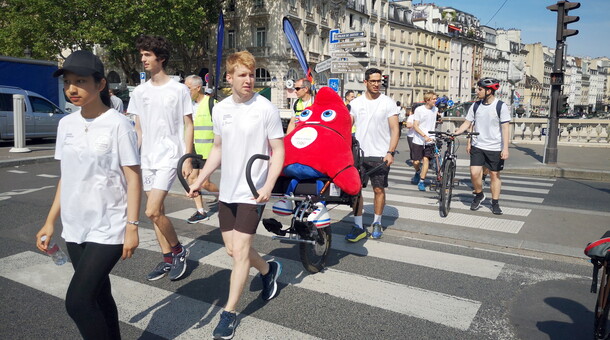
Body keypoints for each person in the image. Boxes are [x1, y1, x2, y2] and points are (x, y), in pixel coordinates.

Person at [36, 50, 141, 340]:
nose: (72, 89)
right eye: (68, 82)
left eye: (80, 81)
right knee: (99, 295)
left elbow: (134, 179)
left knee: (78, 302)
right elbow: (65, 177)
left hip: (109, 226)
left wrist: (132, 227)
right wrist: (49, 222)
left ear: (100, 84)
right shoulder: (66, 125)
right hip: (74, 226)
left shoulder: (119, 124)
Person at [188, 51, 284, 340]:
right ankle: (268, 270)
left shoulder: (265, 108)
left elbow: (278, 150)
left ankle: (228, 313)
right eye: (242, 75)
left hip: (253, 192)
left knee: (240, 253)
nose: (249, 80)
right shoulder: (221, 109)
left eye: (252, 74)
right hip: (227, 191)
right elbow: (217, 148)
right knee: (232, 250)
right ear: (229, 78)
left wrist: (268, 186)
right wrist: (200, 179)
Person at [127, 35, 195, 281]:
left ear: (161, 58)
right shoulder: (140, 92)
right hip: (147, 159)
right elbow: (138, 129)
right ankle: (167, 258)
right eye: (142, 54)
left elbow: (189, 125)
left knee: (152, 211)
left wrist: (188, 158)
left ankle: (179, 250)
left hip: (170, 156)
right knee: (159, 212)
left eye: (147, 55)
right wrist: (132, 158)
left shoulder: (178, 90)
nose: (142, 59)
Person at [345, 68, 400, 241]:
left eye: (379, 81)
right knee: (356, 192)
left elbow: (395, 129)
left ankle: (377, 222)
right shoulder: (356, 103)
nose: (377, 84)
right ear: (366, 82)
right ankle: (358, 226)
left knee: (378, 189)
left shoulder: (388, 102)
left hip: (380, 155)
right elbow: (347, 126)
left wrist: (390, 152)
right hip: (359, 154)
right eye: (373, 81)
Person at [454, 78, 510, 215]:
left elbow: (505, 128)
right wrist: (456, 132)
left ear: (489, 91)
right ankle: (479, 195)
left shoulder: (501, 106)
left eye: (479, 89)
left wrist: (505, 148)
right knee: (474, 173)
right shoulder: (475, 106)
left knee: (494, 175)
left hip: (495, 147)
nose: (477, 92)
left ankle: (495, 203)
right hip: (478, 145)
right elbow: (467, 123)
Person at [184, 75, 219, 223]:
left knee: (204, 183)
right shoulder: (188, 106)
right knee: (192, 180)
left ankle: (222, 195)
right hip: (193, 151)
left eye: (188, 89)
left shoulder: (212, 103)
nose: (186, 92)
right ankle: (200, 211)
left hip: (208, 151)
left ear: (198, 88)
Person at [412, 92, 439, 191]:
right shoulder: (419, 110)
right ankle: (418, 171)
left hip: (430, 139)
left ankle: (422, 181)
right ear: (428, 100)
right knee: (416, 161)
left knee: (426, 159)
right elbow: (415, 126)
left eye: (436, 99)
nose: (436, 101)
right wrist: (424, 135)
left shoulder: (436, 109)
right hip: (419, 139)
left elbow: (434, 120)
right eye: (434, 99)